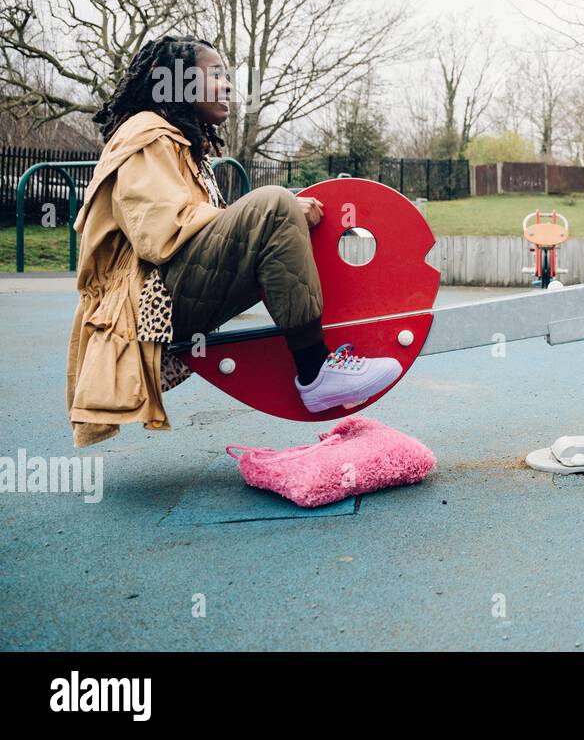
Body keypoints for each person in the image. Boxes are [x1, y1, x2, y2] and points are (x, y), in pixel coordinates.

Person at [66, 35, 400, 448]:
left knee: (277, 211)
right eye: (216, 76)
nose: (228, 87)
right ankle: (315, 371)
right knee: (275, 204)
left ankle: (321, 361)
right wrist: (275, 212)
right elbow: (160, 234)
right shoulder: (146, 136)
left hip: (170, 291)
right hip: (148, 302)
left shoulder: (181, 143)